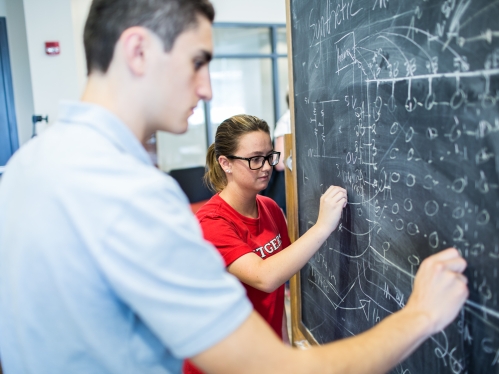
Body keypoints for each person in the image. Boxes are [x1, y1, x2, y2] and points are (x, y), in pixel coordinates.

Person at [0, 1, 468, 373]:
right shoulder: (131, 194)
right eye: (197, 61)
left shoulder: (31, 163)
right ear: (137, 50)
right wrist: (421, 314)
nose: (206, 88)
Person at [183, 114, 347, 374]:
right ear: (225, 163)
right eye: (255, 159)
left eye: (270, 156)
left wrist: (283, 347)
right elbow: (264, 277)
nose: (267, 167)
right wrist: (323, 226)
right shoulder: (211, 222)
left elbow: (277, 290)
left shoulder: (269, 208)